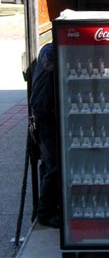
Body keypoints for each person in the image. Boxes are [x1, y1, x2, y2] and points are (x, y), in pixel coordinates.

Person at [30, 43, 60, 228]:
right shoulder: (50, 52)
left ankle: (43, 207)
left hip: (45, 113)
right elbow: (52, 64)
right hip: (45, 115)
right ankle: (45, 213)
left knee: (47, 165)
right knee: (54, 166)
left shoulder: (47, 49)